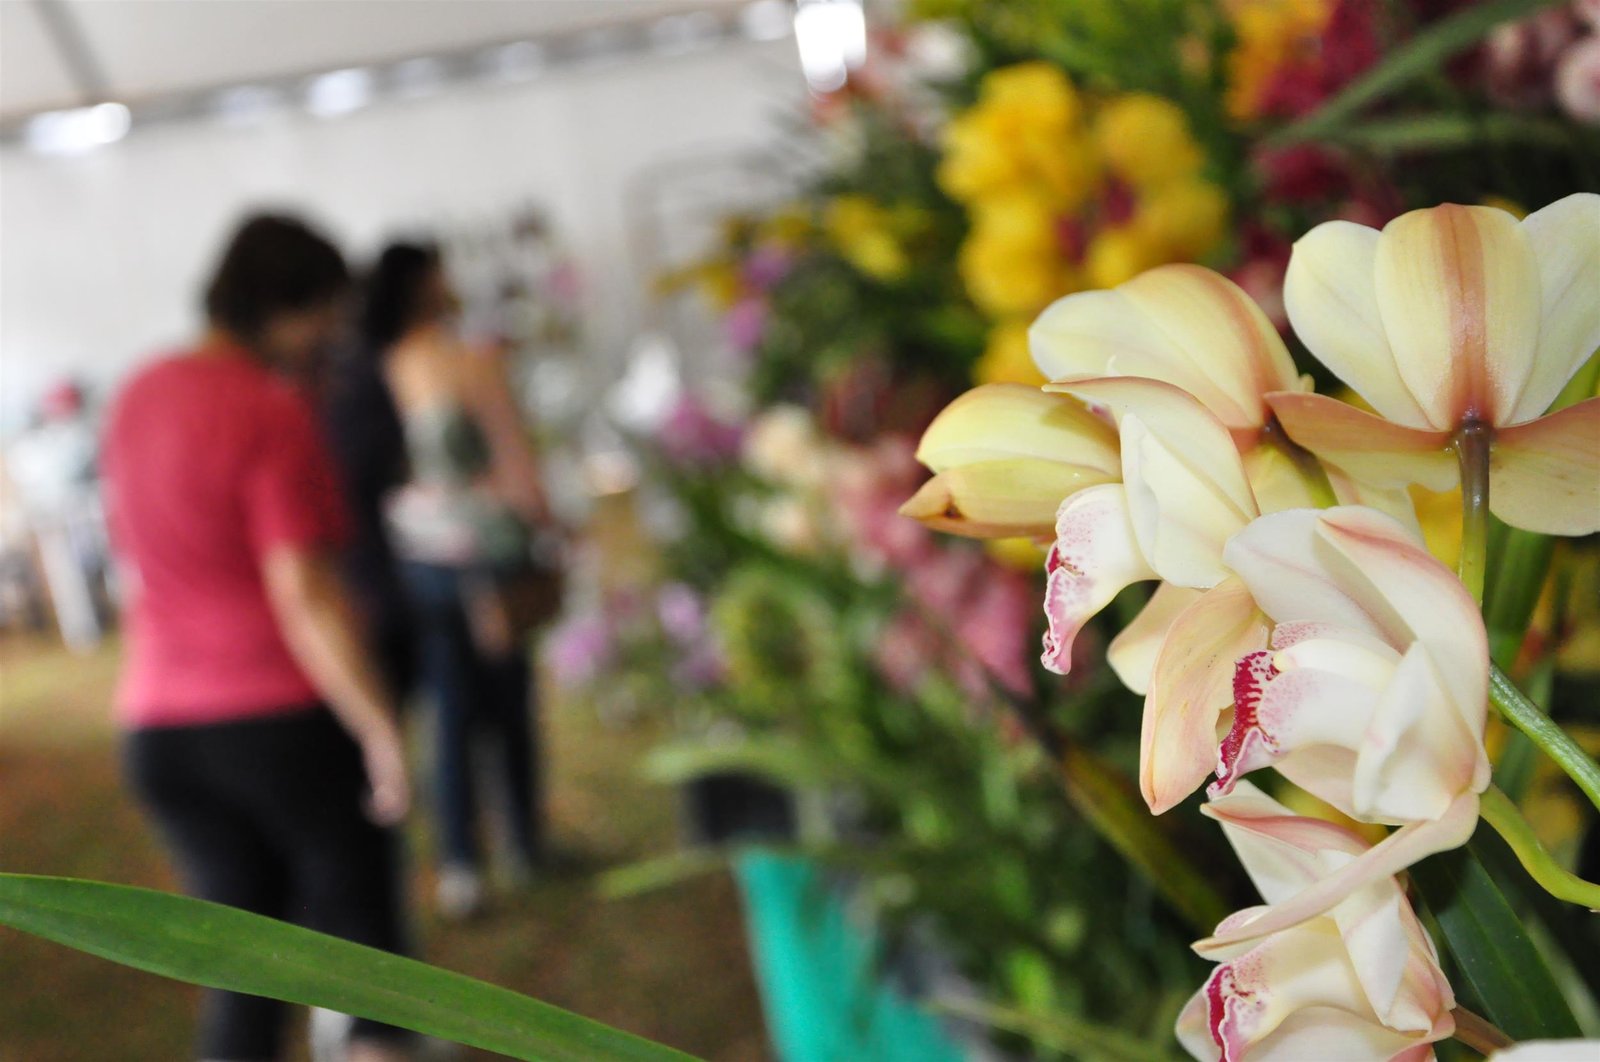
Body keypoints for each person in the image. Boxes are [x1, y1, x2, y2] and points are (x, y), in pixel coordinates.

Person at [101, 213, 412, 1062]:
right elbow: (304, 591)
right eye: (326, 316)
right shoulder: (268, 410)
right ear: (285, 307)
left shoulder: (140, 390)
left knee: (245, 964)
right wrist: (378, 726)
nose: (332, 338)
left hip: (159, 723)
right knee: (368, 965)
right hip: (276, 721)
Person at [361, 241, 549, 920]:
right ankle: (523, 843)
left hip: (417, 556)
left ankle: (459, 863)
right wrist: (546, 526)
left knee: (449, 709)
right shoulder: (470, 361)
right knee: (508, 707)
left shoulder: (377, 366)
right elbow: (517, 468)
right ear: (429, 286)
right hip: (486, 554)